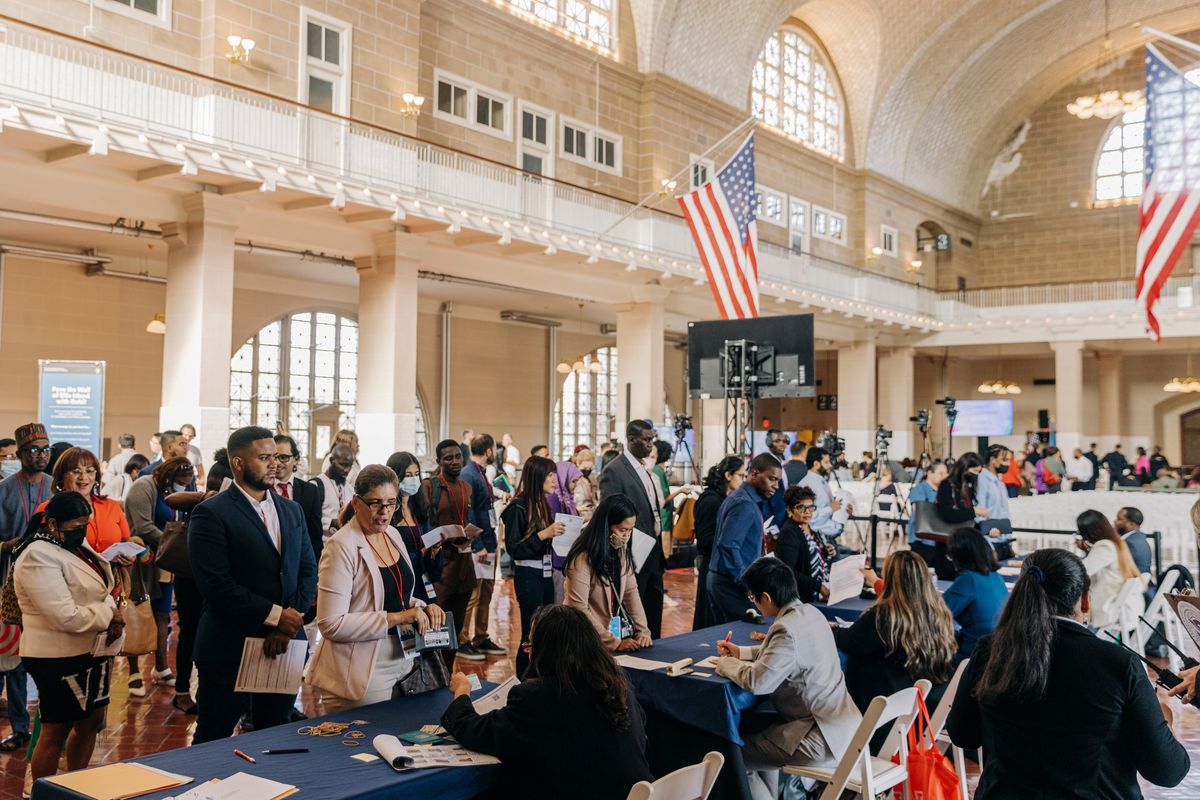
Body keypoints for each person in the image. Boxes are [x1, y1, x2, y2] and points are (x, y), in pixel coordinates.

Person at [947, 548, 1189, 797]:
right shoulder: (1117, 663)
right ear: (1085, 600)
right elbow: (1168, 771)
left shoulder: (990, 650)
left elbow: (962, 734)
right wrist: (1164, 721)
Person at [188, 426, 318, 743]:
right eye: (264, 458)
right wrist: (276, 616)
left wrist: (288, 623)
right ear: (238, 463)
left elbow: (307, 569)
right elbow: (217, 587)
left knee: (273, 733)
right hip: (229, 643)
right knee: (213, 736)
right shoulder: (211, 513)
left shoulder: (292, 510)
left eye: (276, 457)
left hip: (283, 644)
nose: (274, 464)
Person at [441, 605, 652, 800]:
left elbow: (475, 731)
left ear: (545, 650)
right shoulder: (618, 683)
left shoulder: (537, 696)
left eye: (530, 645)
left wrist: (461, 692)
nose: (529, 653)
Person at [715, 558, 860, 800]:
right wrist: (742, 652)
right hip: (843, 727)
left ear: (766, 598)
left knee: (733, 758)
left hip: (819, 737)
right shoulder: (811, 613)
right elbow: (788, 654)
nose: (754, 603)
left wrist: (725, 664)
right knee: (762, 735)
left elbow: (758, 682)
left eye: (753, 598)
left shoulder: (786, 627)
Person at [307, 465, 446, 710]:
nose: (384, 512)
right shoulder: (341, 546)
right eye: (375, 503)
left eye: (391, 503)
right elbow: (331, 624)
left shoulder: (392, 534)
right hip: (361, 667)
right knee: (363, 746)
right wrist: (400, 616)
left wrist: (421, 607)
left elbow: (395, 595)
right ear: (356, 502)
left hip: (404, 657)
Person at [14, 492, 124, 784]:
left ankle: (75, 783)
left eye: (85, 525)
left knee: (92, 721)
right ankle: (46, 792)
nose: (81, 531)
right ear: (52, 524)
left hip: (92, 649)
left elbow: (100, 586)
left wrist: (109, 609)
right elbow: (65, 616)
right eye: (75, 526)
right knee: (56, 729)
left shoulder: (73, 543)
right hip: (56, 656)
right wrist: (108, 614)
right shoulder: (36, 555)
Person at [833, 550, 956, 712]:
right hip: (924, 699)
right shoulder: (937, 609)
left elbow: (848, 641)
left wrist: (831, 629)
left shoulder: (883, 616)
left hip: (883, 702)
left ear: (890, 579)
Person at [0, 423, 54, 752]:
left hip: (48, 580)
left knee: (47, 655)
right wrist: (9, 545)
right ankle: (19, 727)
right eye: (34, 450)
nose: (41, 455)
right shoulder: (5, 489)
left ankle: (49, 726)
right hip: (9, 580)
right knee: (12, 658)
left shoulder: (55, 487)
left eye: (45, 449)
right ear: (19, 455)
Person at [125, 456, 194, 698]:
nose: (181, 489)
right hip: (142, 558)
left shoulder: (185, 486)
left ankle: (161, 667)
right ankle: (133, 672)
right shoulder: (144, 487)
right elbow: (142, 527)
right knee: (137, 610)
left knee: (162, 613)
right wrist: (175, 543)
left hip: (167, 559)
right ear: (167, 476)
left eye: (186, 485)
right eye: (178, 484)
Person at [599, 420, 665, 638]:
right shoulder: (615, 470)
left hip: (653, 549)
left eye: (651, 440)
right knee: (634, 612)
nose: (650, 445)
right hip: (633, 550)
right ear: (631, 440)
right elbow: (611, 513)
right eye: (646, 440)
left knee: (653, 610)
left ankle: (655, 650)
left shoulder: (644, 468)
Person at [563, 494, 651, 652]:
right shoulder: (581, 559)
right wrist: (614, 643)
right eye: (622, 530)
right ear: (606, 525)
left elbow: (631, 593)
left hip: (608, 636)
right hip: (583, 640)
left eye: (630, 530)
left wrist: (642, 631)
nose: (626, 536)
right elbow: (579, 609)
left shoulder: (621, 551)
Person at [502, 456, 563, 676]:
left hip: (546, 572)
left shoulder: (542, 504)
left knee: (546, 630)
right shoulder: (518, 506)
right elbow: (514, 548)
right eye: (549, 475)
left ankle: (540, 678)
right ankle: (523, 681)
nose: (555, 479)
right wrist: (544, 534)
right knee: (530, 633)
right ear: (537, 477)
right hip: (528, 575)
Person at [422, 439, 478, 664]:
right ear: (439, 461)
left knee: (456, 627)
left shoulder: (467, 487)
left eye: (457, 457)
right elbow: (424, 527)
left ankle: (448, 674)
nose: (454, 462)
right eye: (448, 458)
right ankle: (432, 674)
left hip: (464, 566)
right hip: (441, 568)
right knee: (436, 628)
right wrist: (444, 536)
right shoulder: (430, 486)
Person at [708, 453, 780, 624]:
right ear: (754, 473)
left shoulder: (740, 498)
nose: (775, 485)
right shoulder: (744, 503)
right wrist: (745, 583)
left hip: (724, 580)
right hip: (730, 583)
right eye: (772, 479)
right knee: (745, 636)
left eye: (777, 481)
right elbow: (728, 546)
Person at [459, 434, 504, 660]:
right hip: (480, 544)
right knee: (473, 594)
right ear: (488, 451)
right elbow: (468, 513)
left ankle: (481, 636)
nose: (495, 453)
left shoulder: (481, 473)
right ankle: (463, 640)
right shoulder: (469, 473)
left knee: (487, 591)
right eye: (494, 448)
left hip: (489, 540)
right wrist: (476, 545)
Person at [693, 456, 744, 631]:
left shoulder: (721, 498)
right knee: (708, 617)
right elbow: (705, 538)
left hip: (716, 561)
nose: (743, 480)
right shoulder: (711, 500)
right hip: (710, 563)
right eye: (741, 475)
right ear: (728, 475)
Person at [942, 528, 1008, 659]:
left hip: (974, 656)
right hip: (999, 652)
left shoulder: (968, 580)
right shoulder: (996, 577)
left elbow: (935, 615)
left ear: (960, 556)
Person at [1076, 510, 1144, 630]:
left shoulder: (1105, 546)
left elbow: (1080, 572)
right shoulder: (1117, 543)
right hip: (1124, 608)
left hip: (1109, 611)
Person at [385, 451, 434, 603]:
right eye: (408, 475)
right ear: (396, 477)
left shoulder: (420, 508)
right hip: (397, 580)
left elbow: (426, 539)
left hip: (421, 577)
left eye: (416, 474)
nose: (413, 480)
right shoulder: (387, 510)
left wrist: (433, 549)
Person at [774, 485, 831, 602]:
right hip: (801, 598)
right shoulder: (789, 533)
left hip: (819, 596)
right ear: (789, 510)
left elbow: (812, 559)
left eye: (811, 507)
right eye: (801, 508)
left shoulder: (812, 530)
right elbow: (787, 570)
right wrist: (818, 586)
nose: (807, 512)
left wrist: (826, 552)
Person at [273, 434, 324, 563]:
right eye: (274, 457)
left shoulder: (310, 491)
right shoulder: (262, 490)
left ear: (295, 459)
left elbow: (315, 536)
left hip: (301, 563)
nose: (278, 463)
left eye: (284, 458)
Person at [907, 460, 955, 579]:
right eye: (941, 473)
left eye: (946, 473)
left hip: (940, 539)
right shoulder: (919, 489)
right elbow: (921, 511)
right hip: (922, 540)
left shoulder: (944, 491)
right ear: (930, 473)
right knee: (920, 575)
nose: (945, 476)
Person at [797, 447, 846, 543]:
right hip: (817, 539)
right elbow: (805, 515)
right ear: (816, 464)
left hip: (827, 537)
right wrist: (830, 508)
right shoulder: (807, 484)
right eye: (826, 462)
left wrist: (842, 509)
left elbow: (824, 504)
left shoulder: (821, 480)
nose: (830, 465)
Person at [312, 443, 355, 540]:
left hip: (343, 546)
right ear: (332, 461)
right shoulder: (315, 485)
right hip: (321, 546)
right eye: (343, 465)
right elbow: (307, 519)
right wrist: (331, 522)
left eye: (349, 466)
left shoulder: (349, 489)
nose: (346, 470)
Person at [937, 451, 987, 527]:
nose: (976, 474)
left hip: (966, 531)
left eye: (978, 472)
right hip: (952, 533)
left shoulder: (968, 486)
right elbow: (947, 514)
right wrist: (974, 511)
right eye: (974, 471)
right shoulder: (947, 485)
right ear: (964, 468)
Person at [976, 444, 1013, 539]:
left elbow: (1004, 511)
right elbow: (980, 510)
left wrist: (1008, 538)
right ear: (992, 460)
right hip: (990, 539)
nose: (1008, 464)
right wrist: (986, 535)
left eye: (1009, 460)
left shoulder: (1000, 482)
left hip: (1003, 538)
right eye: (1005, 460)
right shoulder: (982, 479)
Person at [759, 429, 790, 531]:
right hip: (773, 522)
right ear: (769, 443)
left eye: (784, 441)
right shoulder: (768, 464)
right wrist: (775, 527)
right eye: (777, 441)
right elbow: (769, 499)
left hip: (779, 518)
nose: (782, 444)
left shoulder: (780, 462)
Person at [571, 447, 598, 516]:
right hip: (578, 513)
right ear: (578, 464)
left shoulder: (592, 478)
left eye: (590, 468)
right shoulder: (573, 479)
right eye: (584, 468)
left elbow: (595, 496)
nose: (587, 470)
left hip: (591, 512)